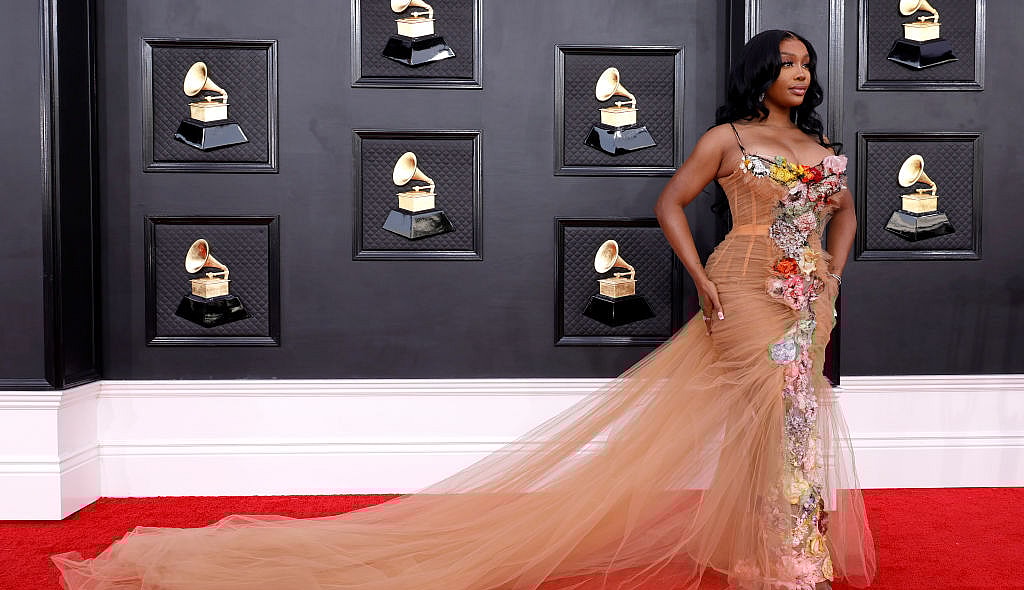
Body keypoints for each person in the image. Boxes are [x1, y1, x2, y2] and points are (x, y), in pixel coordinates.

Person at [53, 30, 875, 590]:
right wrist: (701, 280)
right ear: (760, 73)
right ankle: (791, 557)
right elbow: (670, 204)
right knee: (782, 409)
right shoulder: (728, 139)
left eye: (807, 64)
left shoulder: (822, 149)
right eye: (788, 62)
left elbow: (847, 215)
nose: (801, 73)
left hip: (808, 297)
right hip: (742, 286)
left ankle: (772, 544)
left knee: (791, 415)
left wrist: (831, 277)